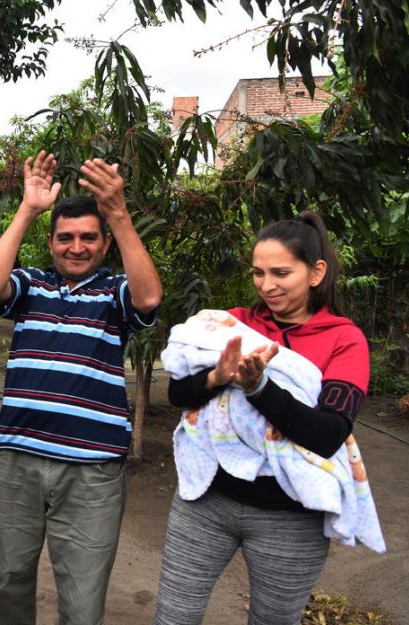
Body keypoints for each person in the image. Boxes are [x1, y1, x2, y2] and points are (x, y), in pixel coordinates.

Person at [152, 211, 371, 625]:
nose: (267, 285)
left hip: (291, 519)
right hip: (206, 501)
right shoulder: (233, 323)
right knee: (173, 616)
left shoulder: (344, 339)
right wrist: (216, 377)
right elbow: (179, 395)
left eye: (281, 273)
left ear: (316, 272)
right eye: (258, 273)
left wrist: (258, 389)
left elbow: (327, 434)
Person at [0, 151, 163, 625]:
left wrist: (118, 212)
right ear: (51, 242)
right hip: (15, 460)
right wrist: (28, 209)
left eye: (88, 237)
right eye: (65, 238)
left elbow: (149, 298)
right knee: (9, 581)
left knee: (82, 604)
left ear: (104, 243)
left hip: (92, 471)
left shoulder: (115, 293)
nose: (76, 247)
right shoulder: (31, 285)